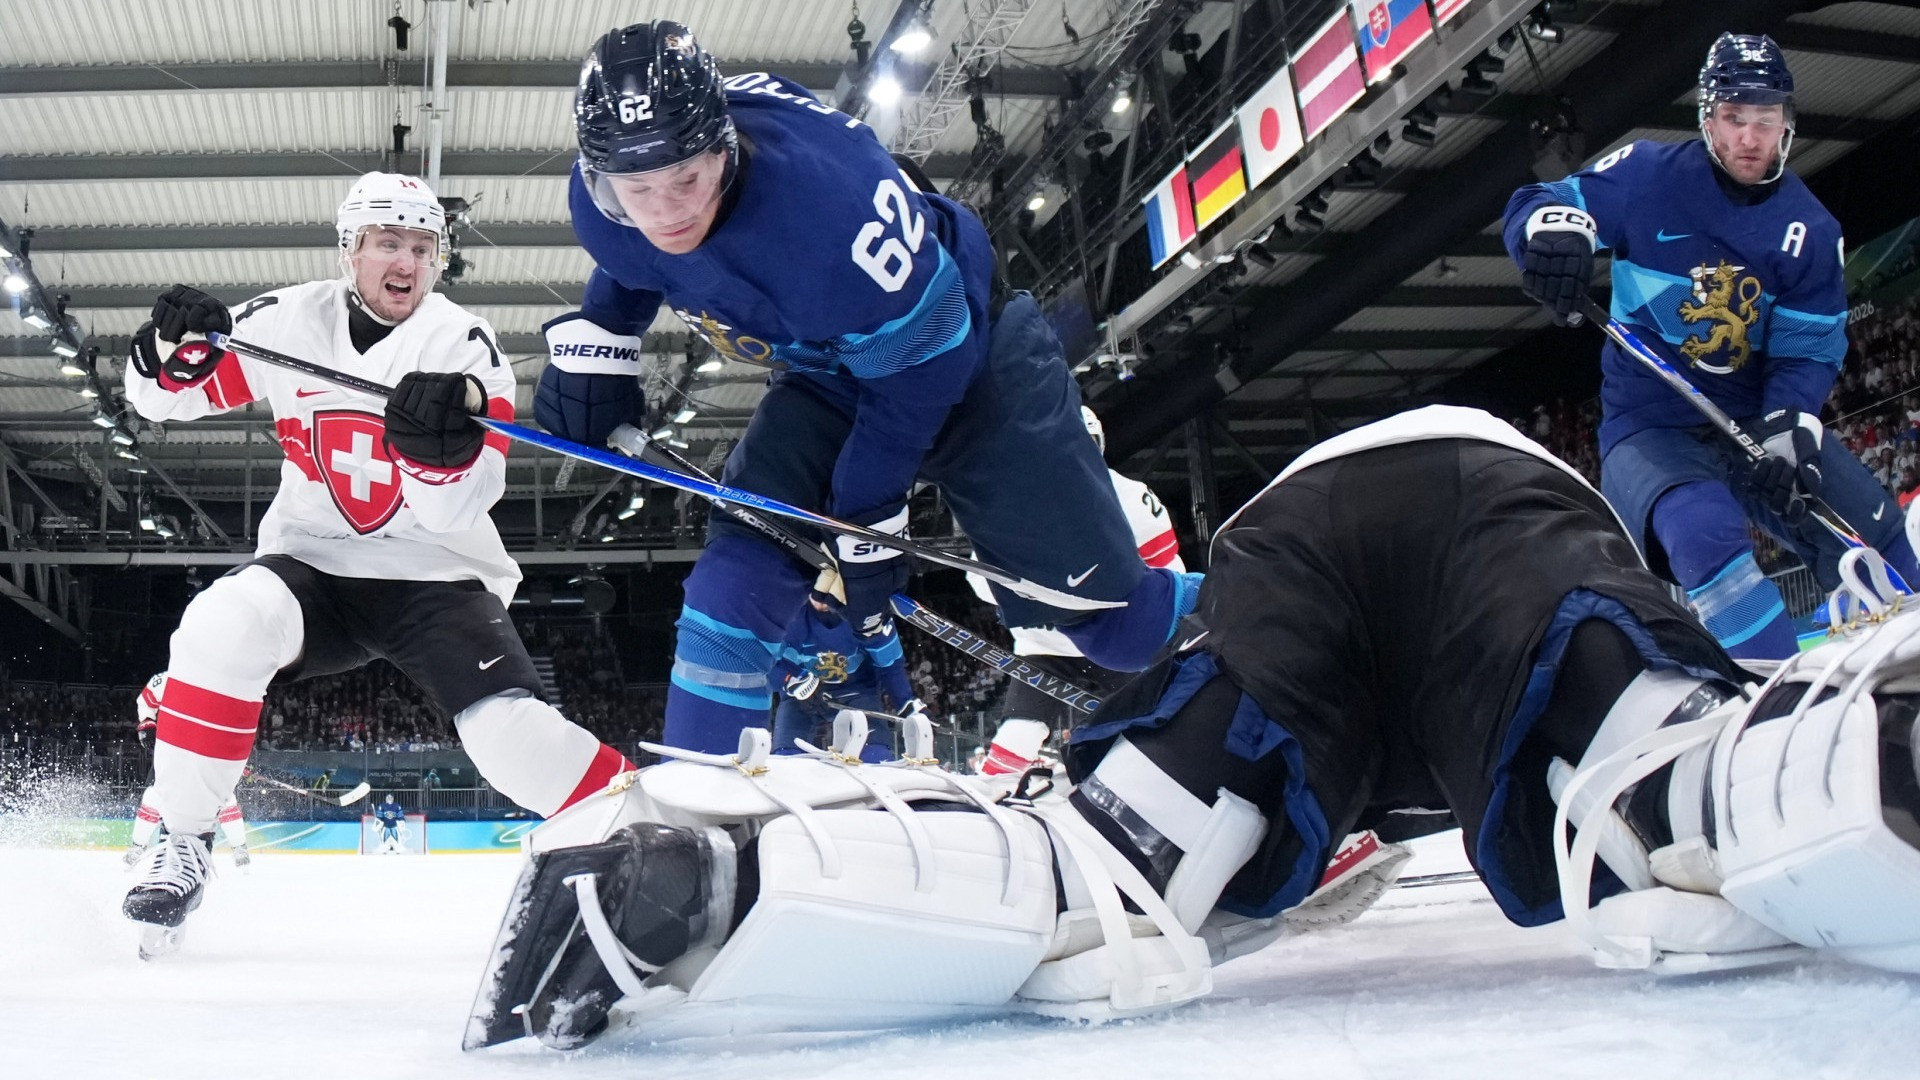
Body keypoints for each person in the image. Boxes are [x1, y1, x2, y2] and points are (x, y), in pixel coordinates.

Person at [464, 404, 1920, 1051]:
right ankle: (1873, 749)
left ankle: (702, 876)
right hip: (1492, 490)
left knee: (1115, 870)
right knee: (1668, 798)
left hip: (1329, 516)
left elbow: (1105, 820)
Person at [533, 22, 1201, 755]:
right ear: (599, 175)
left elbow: (928, 368)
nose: (665, 212)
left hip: (970, 359)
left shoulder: (826, 215)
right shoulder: (605, 206)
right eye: (636, 190)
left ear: (723, 147)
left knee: (1121, 629)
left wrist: (870, 513)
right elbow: (633, 265)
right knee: (736, 579)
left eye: (686, 180)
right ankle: (695, 818)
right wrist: (602, 342)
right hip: (833, 370)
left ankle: (1297, 616)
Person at [118, 171, 634, 957]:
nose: (408, 261)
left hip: (435, 573)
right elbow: (162, 403)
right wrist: (165, 351)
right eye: (388, 243)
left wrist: (438, 456)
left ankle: (649, 827)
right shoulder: (287, 318)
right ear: (348, 249)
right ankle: (181, 840)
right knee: (223, 621)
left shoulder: (464, 346)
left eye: (424, 248)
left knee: (510, 741)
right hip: (311, 567)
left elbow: (456, 510)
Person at [1503, 32, 1920, 661]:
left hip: (1753, 417)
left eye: (1765, 118)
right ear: (1707, 117)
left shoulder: (1811, 232)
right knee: (1704, 533)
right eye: (1733, 118)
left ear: (1786, 122)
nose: (1749, 137)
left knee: (1880, 534)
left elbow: (1806, 349)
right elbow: (1544, 200)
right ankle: (1770, 706)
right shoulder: (1646, 176)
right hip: (1651, 427)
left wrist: (1787, 432)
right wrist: (1549, 235)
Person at [966, 406, 1187, 746]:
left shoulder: (1014, 503)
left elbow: (1166, 565)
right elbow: (1167, 565)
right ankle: (999, 783)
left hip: (1096, 638)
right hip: (1095, 640)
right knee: (1024, 728)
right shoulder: (1121, 492)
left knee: (1150, 727)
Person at [125, 673, 250, 871]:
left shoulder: (219, 682)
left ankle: (239, 847)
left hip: (206, 750)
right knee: (154, 796)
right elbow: (146, 700)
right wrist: (147, 723)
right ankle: (137, 846)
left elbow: (230, 723)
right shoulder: (167, 679)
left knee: (224, 798)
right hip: (171, 749)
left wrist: (232, 755)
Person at [768, 598, 918, 760]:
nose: (821, 596)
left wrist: (907, 704)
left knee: (877, 758)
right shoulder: (790, 614)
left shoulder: (868, 615)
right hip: (802, 699)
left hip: (858, 695)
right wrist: (792, 680)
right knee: (786, 759)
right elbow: (764, 662)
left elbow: (890, 665)